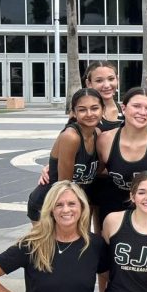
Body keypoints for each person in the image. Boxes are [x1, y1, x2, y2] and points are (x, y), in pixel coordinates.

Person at [96, 87, 147, 218]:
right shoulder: (105, 140)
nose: (142, 112)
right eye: (136, 106)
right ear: (123, 109)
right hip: (116, 213)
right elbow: (93, 173)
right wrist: (54, 168)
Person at [27, 88, 101, 222]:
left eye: (94, 108)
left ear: (103, 110)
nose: (89, 114)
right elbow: (64, 184)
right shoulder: (71, 137)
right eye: (82, 109)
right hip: (49, 204)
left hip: (72, 204)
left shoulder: (97, 134)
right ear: (73, 112)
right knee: (50, 244)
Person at [84, 60, 122, 130]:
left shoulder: (126, 111)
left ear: (117, 80)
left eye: (111, 79)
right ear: (89, 84)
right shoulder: (83, 113)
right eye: (99, 81)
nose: (107, 85)